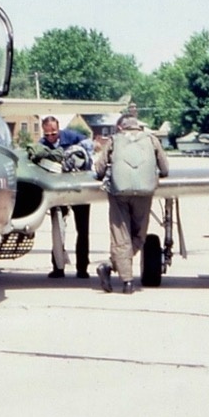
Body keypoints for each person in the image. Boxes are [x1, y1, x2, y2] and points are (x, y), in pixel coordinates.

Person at [93, 105, 169, 294]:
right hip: (144, 194)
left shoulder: (113, 140)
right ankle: (121, 275)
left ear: (120, 127)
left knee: (121, 236)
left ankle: (117, 273)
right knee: (139, 236)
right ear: (138, 126)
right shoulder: (152, 140)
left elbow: (100, 169)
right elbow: (165, 168)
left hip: (118, 194)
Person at [38, 116, 92, 279]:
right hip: (58, 190)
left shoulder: (73, 137)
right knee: (57, 229)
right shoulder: (41, 145)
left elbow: (88, 149)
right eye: (47, 134)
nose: (51, 137)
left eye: (53, 133)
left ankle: (82, 268)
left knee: (82, 230)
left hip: (79, 189)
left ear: (59, 129)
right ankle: (58, 267)